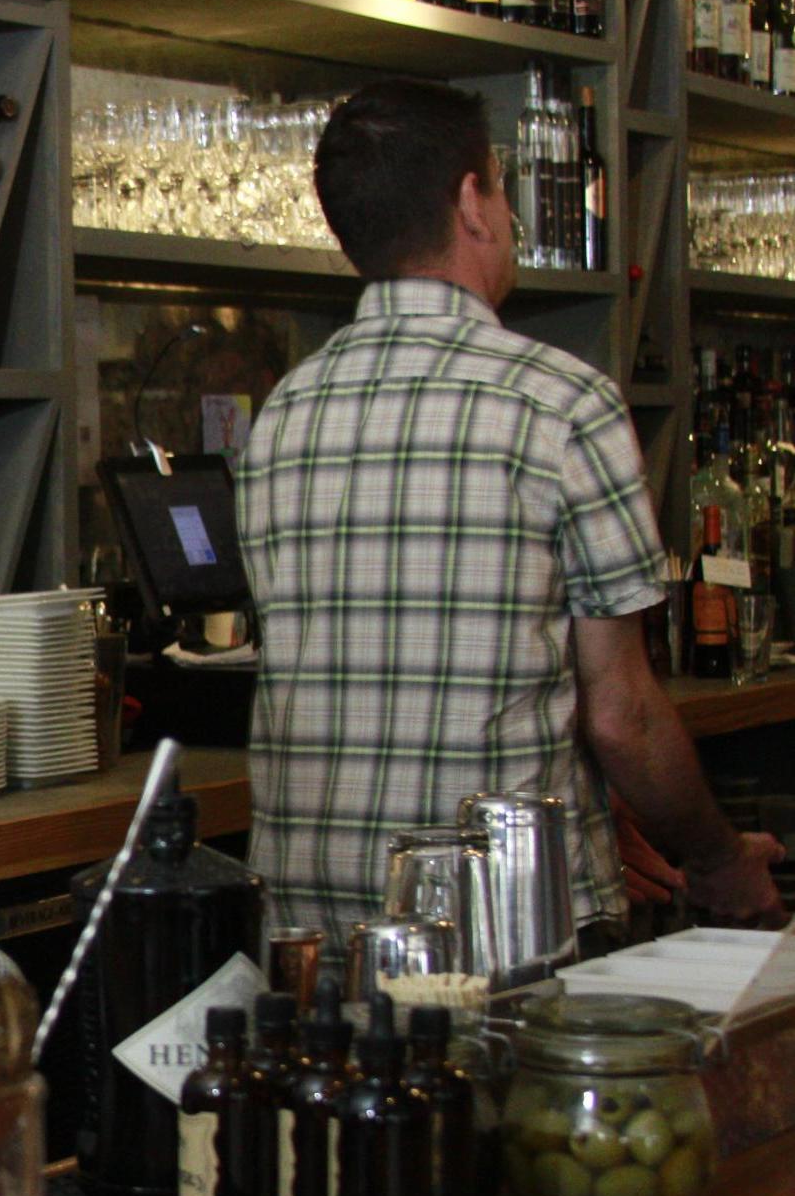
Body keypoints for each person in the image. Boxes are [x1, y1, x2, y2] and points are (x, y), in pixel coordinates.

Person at [236, 78, 783, 957]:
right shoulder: (562, 402)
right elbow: (624, 716)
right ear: (471, 202)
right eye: (500, 183)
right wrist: (719, 859)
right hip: (499, 932)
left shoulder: (282, 415)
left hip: (309, 937)